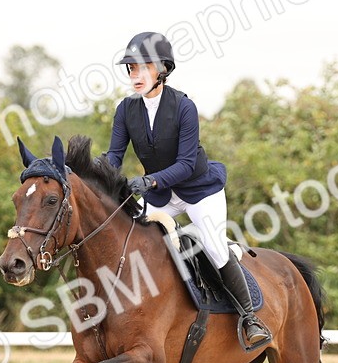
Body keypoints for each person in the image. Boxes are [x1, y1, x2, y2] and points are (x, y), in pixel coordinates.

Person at [102, 31, 271, 347]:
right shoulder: (126, 110)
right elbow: (114, 156)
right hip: (161, 197)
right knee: (131, 240)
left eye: (143, 67)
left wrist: (149, 181)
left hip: (198, 192)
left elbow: (185, 163)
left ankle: (250, 318)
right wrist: (97, 173)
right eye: (131, 68)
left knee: (213, 244)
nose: (134, 75)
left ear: (162, 70)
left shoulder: (183, 107)